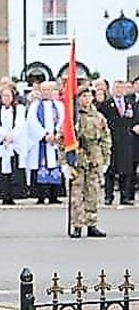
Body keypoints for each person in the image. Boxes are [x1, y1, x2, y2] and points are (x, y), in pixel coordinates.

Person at [61, 86, 112, 238]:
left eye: (89, 96)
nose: (86, 99)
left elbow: (105, 138)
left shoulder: (99, 117)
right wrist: (65, 161)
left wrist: (105, 159)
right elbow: (63, 139)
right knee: (76, 194)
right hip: (78, 160)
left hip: (94, 159)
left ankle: (91, 224)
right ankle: (77, 225)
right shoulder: (72, 117)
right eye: (83, 96)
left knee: (93, 193)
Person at [0, 85, 28, 204]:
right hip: (1, 144)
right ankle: (2, 194)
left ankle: (14, 194)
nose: (6, 98)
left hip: (14, 144)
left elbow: (20, 125)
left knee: (14, 169)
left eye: (9, 96)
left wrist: (12, 136)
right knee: (1, 170)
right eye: (4, 96)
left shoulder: (19, 109)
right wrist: (3, 136)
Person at [98, 80, 137, 205]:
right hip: (111, 140)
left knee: (126, 170)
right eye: (117, 88)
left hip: (127, 141)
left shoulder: (131, 104)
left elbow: (135, 119)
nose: (119, 90)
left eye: (121, 88)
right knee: (110, 170)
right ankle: (108, 196)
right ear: (113, 89)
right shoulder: (106, 104)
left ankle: (124, 196)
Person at [26, 81, 65, 204]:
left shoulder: (59, 105)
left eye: (48, 90)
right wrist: (44, 135)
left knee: (54, 166)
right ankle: (41, 195)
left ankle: (54, 195)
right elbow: (32, 122)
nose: (46, 92)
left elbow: (62, 120)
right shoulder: (34, 106)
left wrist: (56, 134)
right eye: (43, 90)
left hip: (55, 141)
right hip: (41, 142)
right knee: (41, 166)